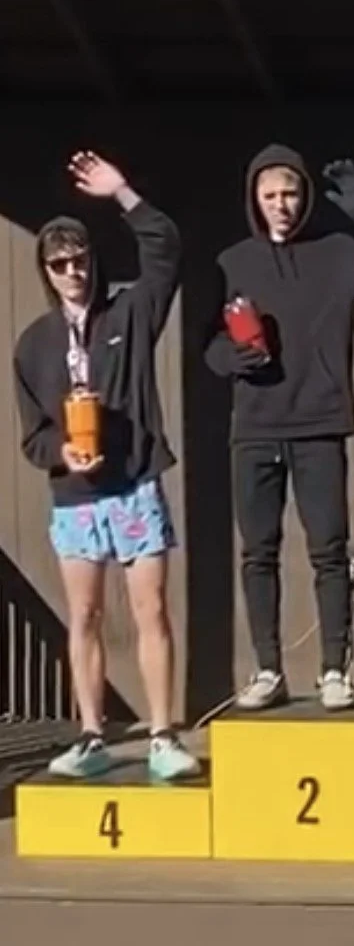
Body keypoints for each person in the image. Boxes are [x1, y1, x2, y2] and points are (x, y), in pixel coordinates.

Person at [14, 151, 198, 781]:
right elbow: (32, 435)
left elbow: (166, 248)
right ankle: (91, 735)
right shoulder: (33, 345)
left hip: (136, 482)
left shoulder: (129, 313)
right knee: (84, 615)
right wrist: (59, 453)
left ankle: (163, 735)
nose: (73, 273)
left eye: (81, 260)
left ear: (94, 261)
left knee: (151, 610)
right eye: (60, 264)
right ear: (46, 270)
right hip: (76, 497)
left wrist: (122, 192)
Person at [205, 146, 354, 711]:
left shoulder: (337, 252)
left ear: (305, 197)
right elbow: (208, 343)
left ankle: (333, 671)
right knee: (258, 552)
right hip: (255, 426)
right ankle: (268, 669)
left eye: (290, 194)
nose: (281, 206)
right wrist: (232, 358)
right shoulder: (232, 262)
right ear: (254, 200)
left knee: (329, 552)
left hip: (319, 422)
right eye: (269, 196)